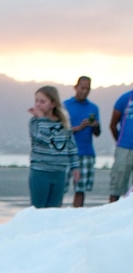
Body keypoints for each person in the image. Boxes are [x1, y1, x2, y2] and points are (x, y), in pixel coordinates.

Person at [28, 85, 80, 208]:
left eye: (42, 101)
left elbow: (71, 145)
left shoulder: (63, 122)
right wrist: (41, 118)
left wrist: (75, 166)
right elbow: (44, 138)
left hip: (59, 171)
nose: (38, 104)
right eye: (36, 101)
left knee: (54, 210)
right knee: (38, 209)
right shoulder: (35, 122)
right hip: (41, 171)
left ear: (52, 104)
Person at [64, 76, 101, 207]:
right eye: (82, 88)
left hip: (86, 152)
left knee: (80, 189)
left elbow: (97, 134)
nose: (85, 91)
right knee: (60, 188)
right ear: (76, 87)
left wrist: (95, 125)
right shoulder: (65, 106)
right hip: (67, 152)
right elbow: (59, 131)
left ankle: (76, 215)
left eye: (88, 89)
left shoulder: (93, 108)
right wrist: (79, 127)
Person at [108, 88, 133, 202]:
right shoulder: (125, 98)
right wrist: (120, 142)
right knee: (117, 187)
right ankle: (112, 214)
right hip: (124, 148)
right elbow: (113, 125)